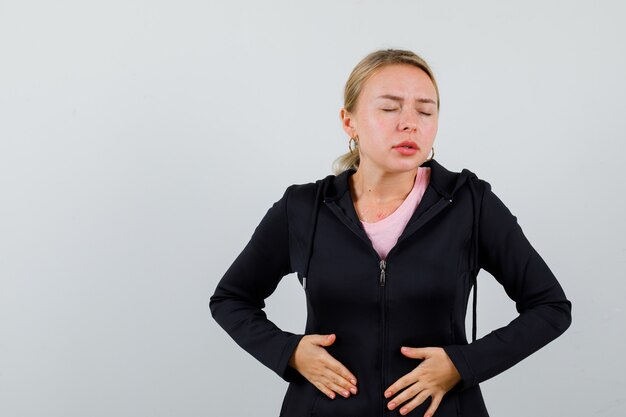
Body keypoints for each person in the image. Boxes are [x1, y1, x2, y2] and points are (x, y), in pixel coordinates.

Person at [209, 48, 572, 417]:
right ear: (348, 122)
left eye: (425, 110)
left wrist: (462, 364)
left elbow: (550, 307)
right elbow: (231, 298)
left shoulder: (470, 204)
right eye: (389, 108)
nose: (410, 123)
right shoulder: (303, 208)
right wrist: (289, 353)